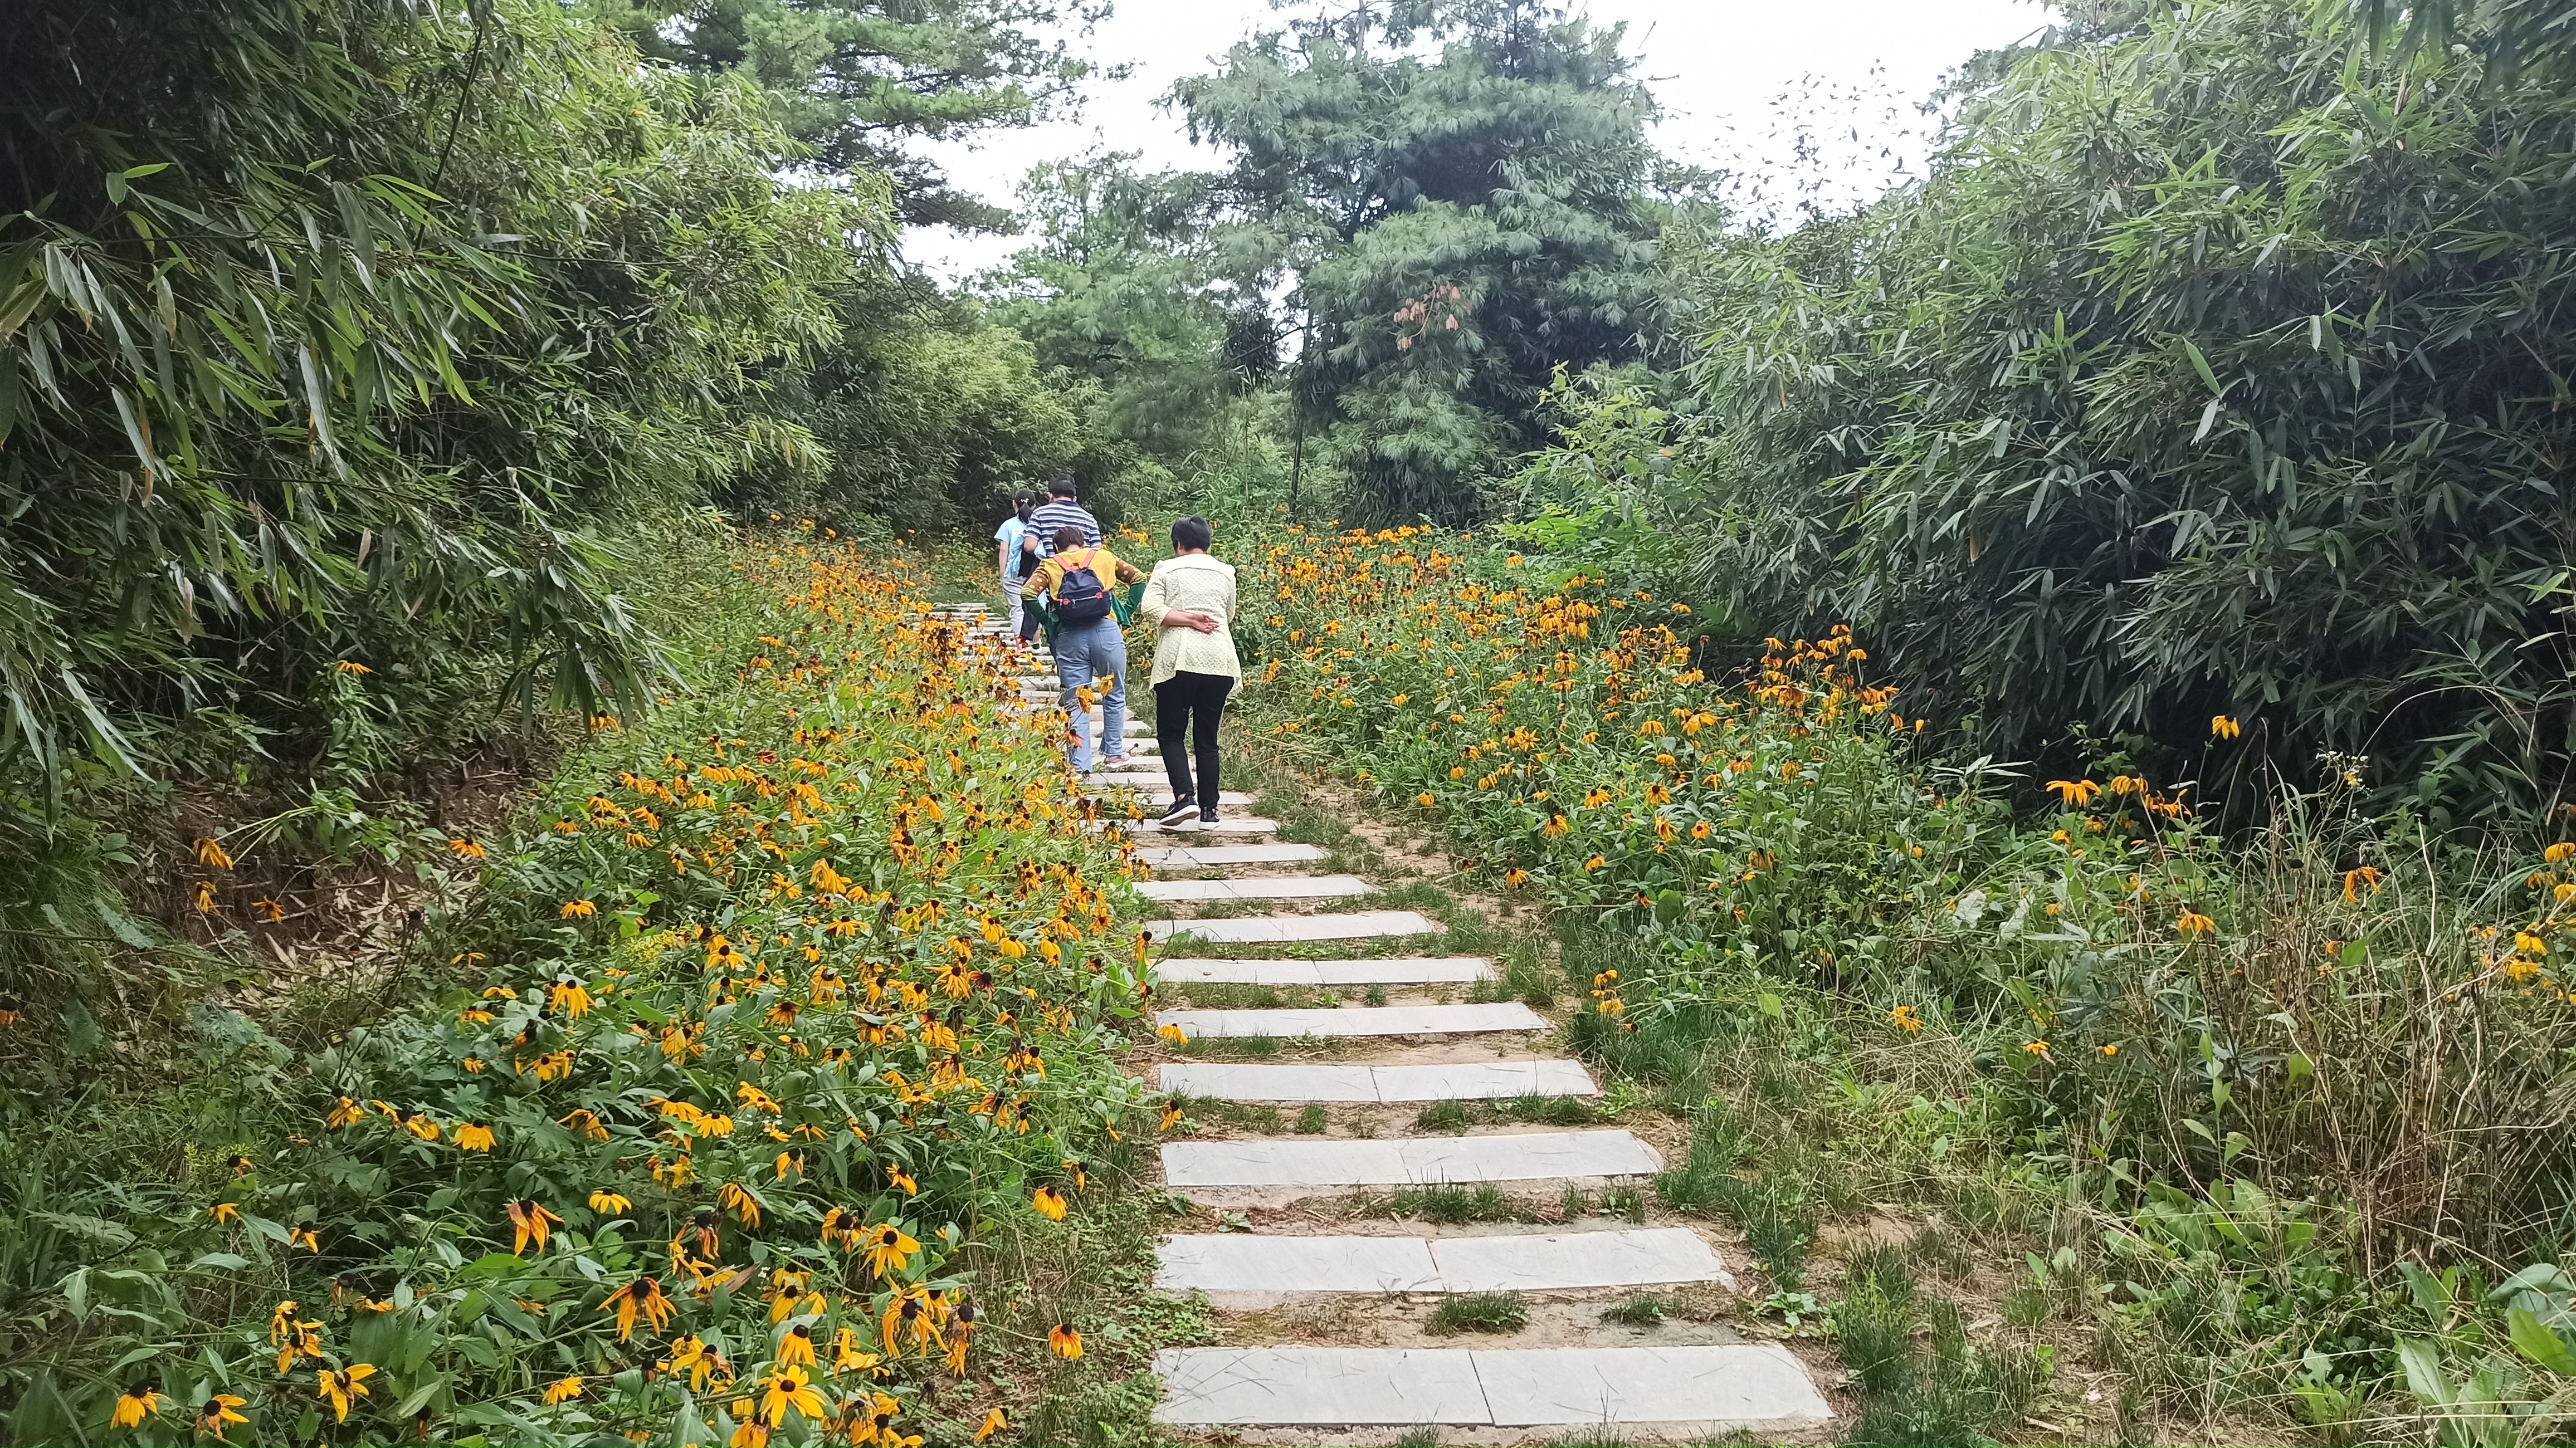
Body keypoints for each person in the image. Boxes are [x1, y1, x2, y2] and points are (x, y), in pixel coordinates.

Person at [1136, 516, 1239, 828]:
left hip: (1179, 660)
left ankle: (1184, 799)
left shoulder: (1167, 568)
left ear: (1178, 544)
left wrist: (1187, 620)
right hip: (1219, 659)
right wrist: (1200, 620)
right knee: (1207, 738)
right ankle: (1210, 811)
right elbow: (1229, 614)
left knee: (1171, 734)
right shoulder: (1227, 572)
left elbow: (1150, 608)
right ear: (1208, 543)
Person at [1021, 525, 1144, 775]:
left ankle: (1080, 766)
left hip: (1069, 637)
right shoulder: (1105, 557)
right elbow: (1139, 579)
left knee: (1076, 701)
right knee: (1114, 692)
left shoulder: (1050, 564)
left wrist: (1047, 622)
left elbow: (1027, 594)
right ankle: (1114, 753)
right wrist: (1126, 614)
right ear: (1084, 542)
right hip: (1106, 633)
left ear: (1056, 547)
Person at [994, 491, 1040, 640]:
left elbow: (1004, 550)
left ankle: (1020, 645)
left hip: (1013, 574)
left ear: (1014, 504)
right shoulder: (1040, 523)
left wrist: (1003, 574)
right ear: (1034, 506)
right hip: (1035, 573)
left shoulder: (1008, 525)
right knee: (1036, 604)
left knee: (1018, 608)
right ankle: (1035, 640)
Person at [1025, 474, 1101, 558]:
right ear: (1075, 499)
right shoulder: (1089, 519)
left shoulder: (1040, 514)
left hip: (1052, 568)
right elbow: (1097, 551)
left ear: (1051, 496)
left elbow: (1029, 547)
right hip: (1082, 569)